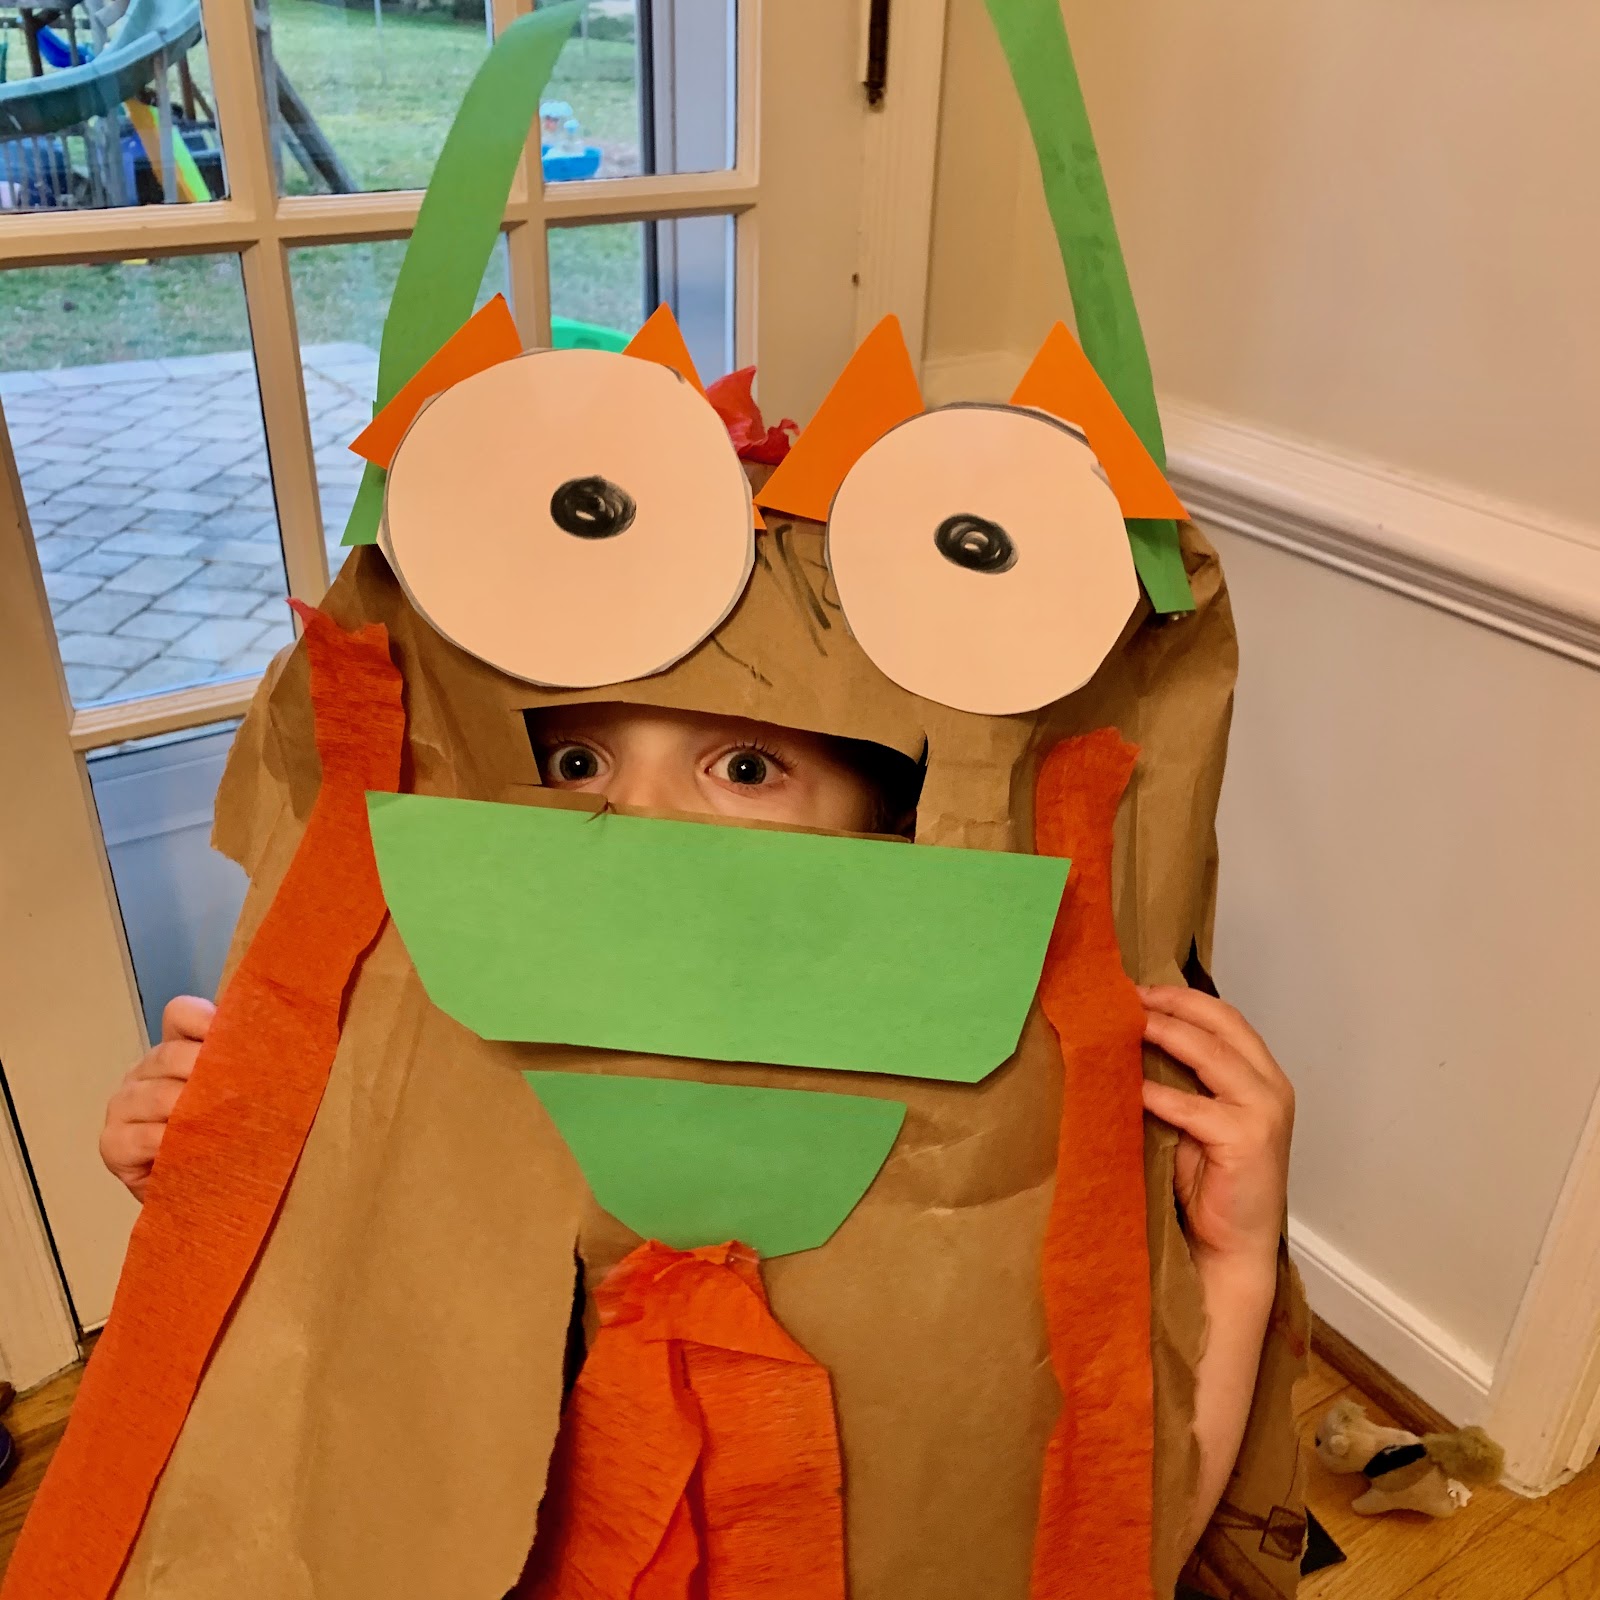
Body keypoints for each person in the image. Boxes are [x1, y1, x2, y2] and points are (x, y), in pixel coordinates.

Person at [99, 700, 1293, 1563]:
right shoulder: (447, 1062)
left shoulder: (961, 1157)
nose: (637, 811)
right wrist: (205, 1185)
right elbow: (305, 1440)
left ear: (887, 833)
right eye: (576, 757)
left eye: (743, 763)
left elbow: (1102, 1548)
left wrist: (1234, 1264)